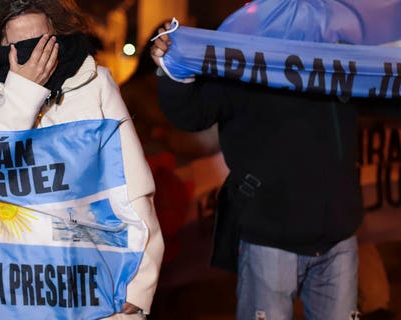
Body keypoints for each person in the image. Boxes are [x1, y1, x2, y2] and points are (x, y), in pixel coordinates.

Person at [149, 22, 399, 319]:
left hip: (337, 235)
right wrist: (173, 68)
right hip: (270, 239)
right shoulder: (241, 51)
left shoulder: (334, 52)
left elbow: (383, 97)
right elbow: (193, 114)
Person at [0, 0, 163, 317]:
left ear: (57, 34)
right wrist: (22, 90)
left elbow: (133, 188)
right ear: (0, 44)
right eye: (18, 46)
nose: (34, 57)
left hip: (94, 287)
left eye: (41, 43)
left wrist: (139, 285)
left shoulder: (93, 82)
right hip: (16, 291)